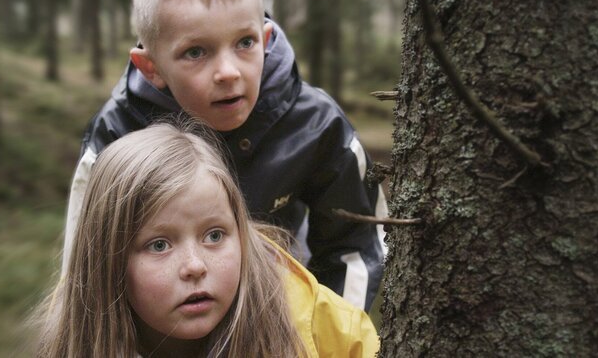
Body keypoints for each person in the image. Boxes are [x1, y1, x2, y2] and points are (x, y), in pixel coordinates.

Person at [63, 0, 388, 311]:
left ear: (265, 40)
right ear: (151, 68)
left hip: (278, 316)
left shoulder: (316, 125)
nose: (228, 72)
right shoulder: (117, 133)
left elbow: (354, 244)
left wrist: (324, 339)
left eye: (245, 43)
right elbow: (86, 271)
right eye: (196, 52)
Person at [38, 123, 379, 357]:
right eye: (159, 244)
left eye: (214, 236)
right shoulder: (79, 336)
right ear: (107, 262)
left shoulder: (326, 332)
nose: (195, 266)